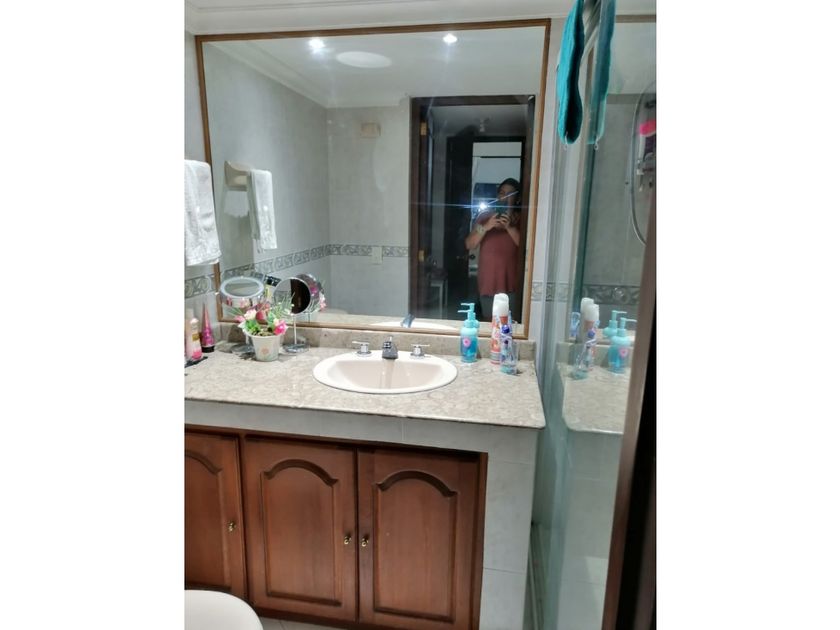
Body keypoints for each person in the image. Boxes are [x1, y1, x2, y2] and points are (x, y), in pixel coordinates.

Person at [464, 177, 522, 320]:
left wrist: (509, 227)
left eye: (510, 194)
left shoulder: (522, 219)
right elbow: (470, 244)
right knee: (489, 326)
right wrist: (486, 227)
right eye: (502, 193)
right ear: (497, 196)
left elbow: (527, 249)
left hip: (511, 286)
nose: (505, 197)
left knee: (508, 326)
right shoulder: (484, 217)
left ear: (517, 199)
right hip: (488, 284)